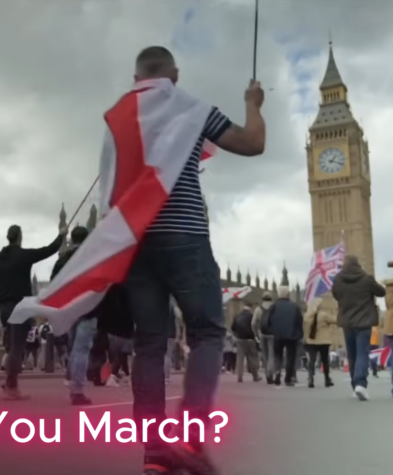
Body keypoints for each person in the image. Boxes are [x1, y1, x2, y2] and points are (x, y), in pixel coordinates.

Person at [112, 46, 265, 475]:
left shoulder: (119, 116)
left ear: (135, 78)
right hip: (185, 236)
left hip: (136, 241)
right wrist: (253, 104)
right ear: (174, 75)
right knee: (207, 333)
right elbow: (253, 143)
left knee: (149, 343)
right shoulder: (191, 107)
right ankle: (190, 440)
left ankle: (154, 453)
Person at [0, 224, 65, 400]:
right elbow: (49, 250)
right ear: (19, 237)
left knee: (11, 346)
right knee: (17, 348)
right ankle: (11, 386)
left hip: (4, 307)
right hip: (20, 306)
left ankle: (10, 381)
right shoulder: (22, 255)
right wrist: (61, 235)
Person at [52, 226, 98, 405]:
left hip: (69, 309)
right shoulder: (92, 257)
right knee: (81, 349)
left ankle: (72, 380)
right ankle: (77, 390)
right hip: (88, 308)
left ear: (71, 239)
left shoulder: (62, 259)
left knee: (74, 348)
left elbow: (54, 284)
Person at [332, 255, 385, 401]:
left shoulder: (338, 279)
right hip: (364, 322)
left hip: (347, 322)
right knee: (362, 353)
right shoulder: (366, 278)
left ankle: (355, 386)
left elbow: (336, 295)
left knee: (352, 355)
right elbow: (382, 292)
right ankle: (361, 383)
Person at [265, 286, 303, 387]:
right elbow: (300, 321)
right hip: (292, 335)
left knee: (278, 356)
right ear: (288, 294)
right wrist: (300, 334)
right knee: (290, 357)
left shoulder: (274, 306)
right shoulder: (295, 306)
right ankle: (288, 378)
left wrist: (271, 330)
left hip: (277, 335)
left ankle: (277, 374)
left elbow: (267, 320)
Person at [302, 298, 335, 388]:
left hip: (311, 342)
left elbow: (304, 330)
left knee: (311, 361)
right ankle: (327, 379)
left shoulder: (306, 316)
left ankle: (311, 379)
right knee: (325, 360)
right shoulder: (324, 315)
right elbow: (335, 320)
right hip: (323, 342)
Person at [231, 303, 260, 382]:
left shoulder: (237, 316)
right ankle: (255, 376)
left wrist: (236, 335)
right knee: (252, 358)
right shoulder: (251, 316)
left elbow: (233, 328)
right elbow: (254, 326)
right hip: (250, 339)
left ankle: (239, 376)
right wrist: (256, 337)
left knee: (240, 358)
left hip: (239, 339)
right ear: (250, 308)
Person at [252, 292, 275, 384]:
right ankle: (270, 373)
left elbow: (253, 323)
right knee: (271, 355)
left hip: (262, 334)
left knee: (264, 355)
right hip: (273, 334)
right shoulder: (274, 308)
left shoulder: (258, 309)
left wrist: (256, 333)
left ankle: (266, 373)